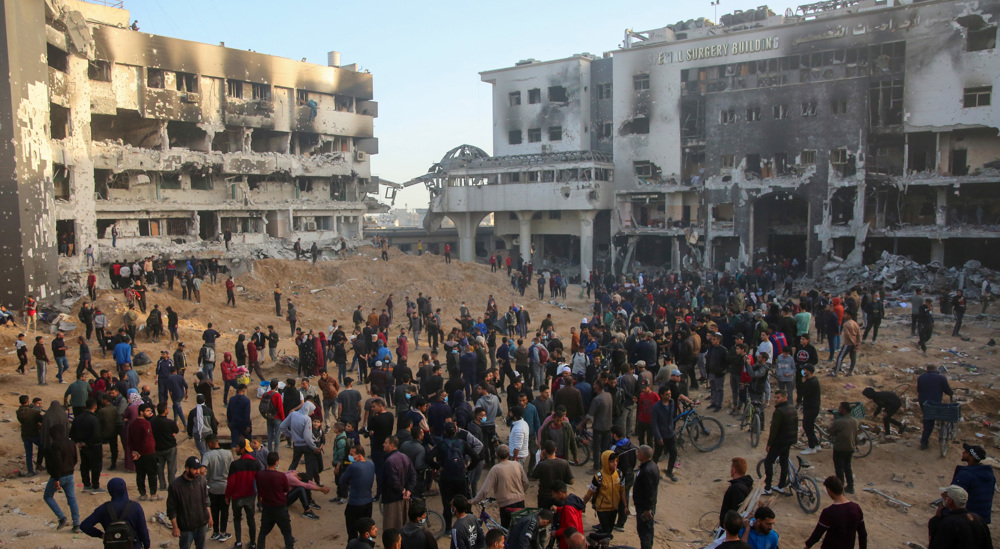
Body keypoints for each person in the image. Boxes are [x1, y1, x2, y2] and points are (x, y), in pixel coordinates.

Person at [80, 477, 151, 549]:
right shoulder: (135, 507)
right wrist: (147, 546)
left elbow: (84, 525)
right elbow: (143, 530)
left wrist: (101, 535)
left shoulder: (103, 508)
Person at [471, 443, 528, 529]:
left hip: (506, 505)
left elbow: (485, 490)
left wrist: (474, 500)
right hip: (520, 502)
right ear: (509, 454)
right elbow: (526, 483)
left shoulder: (496, 469)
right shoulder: (517, 465)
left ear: (497, 455)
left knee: (506, 530)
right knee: (520, 528)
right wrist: (520, 492)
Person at [804, 476, 867, 549]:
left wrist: (807, 546)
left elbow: (817, 534)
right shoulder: (856, 508)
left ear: (829, 490)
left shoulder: (828, 512)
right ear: (842, 488)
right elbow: (863, 534)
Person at [928, 484, 992, 548]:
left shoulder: (948, 523)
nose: (942, 497)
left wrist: (935, 521)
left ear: (950, 501)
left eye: (944, 495)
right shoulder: (978, 519)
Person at [43, 424, 81, 532]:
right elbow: (75, 459)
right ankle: (76, 524)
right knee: (72, 499)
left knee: (48, 496)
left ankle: (62, 517)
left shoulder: (55, 445)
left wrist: (56, 479)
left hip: (59, 476)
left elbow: (56, 463)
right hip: (70, 475)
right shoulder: (71, 443)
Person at [225, 439, 261, 549]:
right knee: (251, 519)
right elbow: (259, 481)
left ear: (243, 449)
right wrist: (260, 496)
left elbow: (231, 483)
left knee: (237, 519)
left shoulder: (235, 465)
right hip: (250, 496)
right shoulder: (255, 463)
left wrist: (227, 496)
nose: (235, 449)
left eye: (237, 447)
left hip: (237, 497)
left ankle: (239, 543)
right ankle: (253, 544)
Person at [255, 452, 294, 549]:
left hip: (267, 506)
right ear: (276, 462)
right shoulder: (281, 476)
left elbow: (259, 489)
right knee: (287, 532)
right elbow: (286, 489)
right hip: (280, 507)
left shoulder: (259, 475)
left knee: (263, 532)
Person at [950, 443, 995, 526]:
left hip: (968, 519)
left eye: (966, 452)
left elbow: (955, 497)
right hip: (982, 519)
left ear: (971, 457)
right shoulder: (989, 474)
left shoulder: (965, 474)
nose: (963, 452)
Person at [763, 390, 797, 495]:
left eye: (778, 397)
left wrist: (769, 444)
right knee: (784, 461)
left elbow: (774, 430)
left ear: (784, 398)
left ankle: (767, 487)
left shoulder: (779, 411)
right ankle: (781, 486)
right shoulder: (792, 408)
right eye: (775, 397)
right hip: (789, 440)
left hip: (780, 441)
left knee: (768, 462)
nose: (775, 399)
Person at [340, 444, 376, 539]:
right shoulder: (371, 464)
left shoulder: (353, 467)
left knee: (352, 533)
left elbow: (342, 480)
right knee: (366, 531)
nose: (350, 456)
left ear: (359, 455)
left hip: (355, 504)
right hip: (368, 503)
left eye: (352, 454)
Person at [203, 435, 234, 542]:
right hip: (225, 486)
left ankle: (215, 532)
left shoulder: (207, 455)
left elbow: (203, 468)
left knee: (214, 510)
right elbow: (232, 469)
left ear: (210, 443)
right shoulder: (228, 453)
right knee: (225, 511)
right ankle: (223, 532)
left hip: (213, 487)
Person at [382, 435, 416, 531]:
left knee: (392, 528)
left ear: (392, 445)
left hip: (393, 500)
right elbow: (413, 475)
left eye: (386, 443)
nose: (383, 444)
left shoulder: (390, 461)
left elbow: (393, 480)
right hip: (405, 499)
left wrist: (403, 490)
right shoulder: (405, 457)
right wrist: (409, 490)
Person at [69, 397, 103, 493]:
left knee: (84, 465)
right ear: (95, 407)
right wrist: (87, 443)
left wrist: (78, 442)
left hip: (82, 447)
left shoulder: (78, 418)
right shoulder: (94, 419)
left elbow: (71, 433)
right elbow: (96, 435)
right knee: (96, 466)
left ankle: (86, 485)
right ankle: (95, 486)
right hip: (94, 446)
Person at [530, 440, 574, 509]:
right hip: (559, 496)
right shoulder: (564, 463)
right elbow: (571, 481)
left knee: (544, 516)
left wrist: (541, 460)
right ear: (555, 449)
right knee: (559, 516)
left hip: (544, 496)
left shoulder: (542, 464)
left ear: (544, 451)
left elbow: (534, 476)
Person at [918, 364, 953, 450]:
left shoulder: (921, 378)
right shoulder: (941, 378)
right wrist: (951, 394)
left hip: (923, 402)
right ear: (936, 370)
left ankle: (924, 440)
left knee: (927, 420)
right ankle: (926, 441)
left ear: (927, 370)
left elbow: (918, 390)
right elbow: (947, 390)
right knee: (933, 420)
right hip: (934, 403)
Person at [129, 403, 159, 501]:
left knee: (140, 474)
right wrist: (139, 453)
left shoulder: (132, 424)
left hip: (138, 454)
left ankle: (143, 494)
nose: (150, 413)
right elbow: (145, 440)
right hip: (147, 453)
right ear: (141, 412)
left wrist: (134, 452)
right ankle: (153, 494)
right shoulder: (146, 424)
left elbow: (129, 439)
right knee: (151, 474)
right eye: (147, 411)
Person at [829, 401, 859, 494]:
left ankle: (840, 488)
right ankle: (850, 487)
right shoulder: (855, 420)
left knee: (839, 469)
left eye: (840, 408)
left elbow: (830, 431)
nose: (838, 409)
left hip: (840, 448)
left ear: (843, 410)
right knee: (847, 467)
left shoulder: (839, 422)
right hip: (850, 448)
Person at [632, 445, 658, 549]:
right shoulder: (652, 466)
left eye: (638, 453)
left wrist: (647, 509)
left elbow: (649, 491)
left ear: (642, 456)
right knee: (648, 530)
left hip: (644, 508)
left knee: (645, 532)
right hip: (647, 506)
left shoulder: (646, 471)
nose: (637, 454)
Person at [650, 386, 678, 481]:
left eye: (669, 394)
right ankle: (652, 471)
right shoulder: (656, 407)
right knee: (657, 454)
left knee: (674, 453)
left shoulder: (671, 403)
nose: (669, 396)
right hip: (661, 435)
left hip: (670, 433)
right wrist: (658, 437)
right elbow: (654, 423)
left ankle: (669, 471)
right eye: (667, 394)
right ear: (661, 395)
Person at [720, 457, 754, 527]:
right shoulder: (747, 484)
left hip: (731, 527)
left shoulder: (736, 488)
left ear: (734, 470)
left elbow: (735, 511)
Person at [16, 394, 43, 476]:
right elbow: (40, 417)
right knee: (42, 446)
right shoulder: (33, 411)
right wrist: (35, 406)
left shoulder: (18, 411)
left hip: (24, 434)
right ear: (28, 401)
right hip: (34, 433)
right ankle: (39, 464)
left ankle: (30, 470)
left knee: (29, 453)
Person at [799, 365, 821, 455]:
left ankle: (811, 447)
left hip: (811, 408)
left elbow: (803, 393)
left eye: (805, 370)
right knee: (809, 426)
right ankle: (816, 444)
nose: (804, 371)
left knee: (808, 427)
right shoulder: (812, 380)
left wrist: (803, 383)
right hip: (811, 406)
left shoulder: (812, 382)